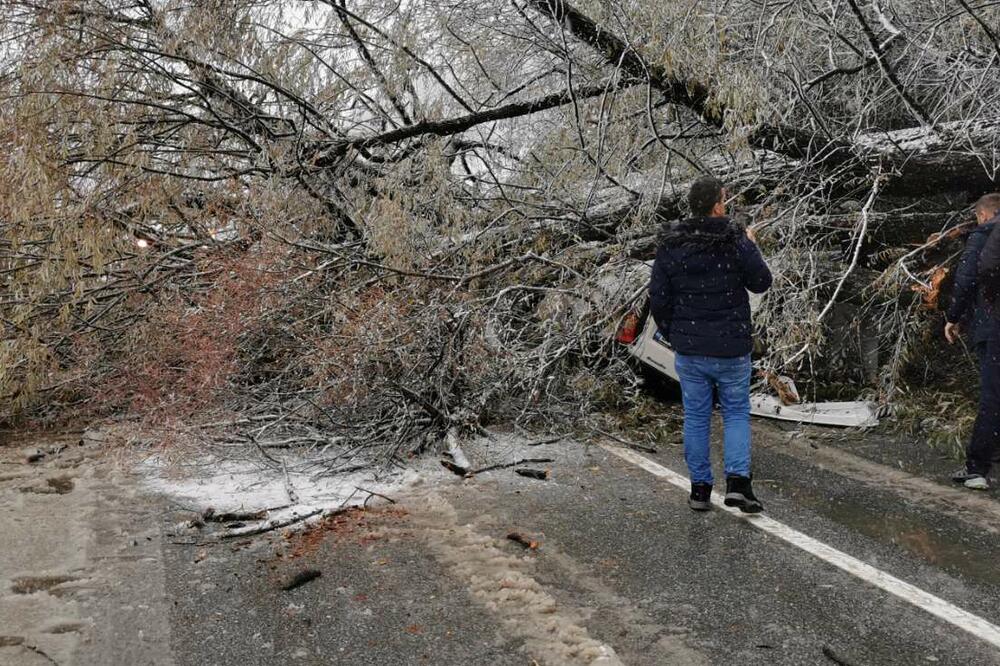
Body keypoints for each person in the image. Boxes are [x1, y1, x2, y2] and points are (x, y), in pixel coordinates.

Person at [648, 176, 773, 512]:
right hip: (731, 346)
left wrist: (675, 333)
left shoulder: (672, 244)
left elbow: (658, 297)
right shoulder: (734, 239)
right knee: (734, 413)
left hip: (691, 348)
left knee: (697, 416)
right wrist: (751, 245)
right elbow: (761, 282)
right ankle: (738, 484)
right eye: (725, 199)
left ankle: (700, 489)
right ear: (718, 204)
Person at [952, 193, 1000, 490]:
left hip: (993, 324)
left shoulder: (984, 235)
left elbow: (967, 278)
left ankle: (977, 469)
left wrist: (953, 315)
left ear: (983, 214)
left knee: (993, 395)